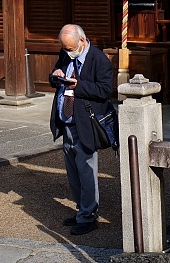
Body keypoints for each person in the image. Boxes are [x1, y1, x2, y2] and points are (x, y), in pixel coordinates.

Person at [49, 23, 113, 236]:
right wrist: (55, 75)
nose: (67, 52)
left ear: (82, 41)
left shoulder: (99, 59)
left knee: (87, 170)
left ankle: (88, 216)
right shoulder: (66, 54)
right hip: (65, 120)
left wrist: (79, 86)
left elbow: (105, 90)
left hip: (85, 124)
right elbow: (56, 76)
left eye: (70, 48)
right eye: (65, 48)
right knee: (73, 172)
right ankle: (81, 211)